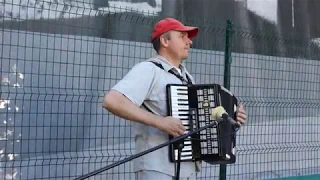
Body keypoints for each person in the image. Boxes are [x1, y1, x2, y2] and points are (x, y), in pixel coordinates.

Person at [103, 17, 247, 180]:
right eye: (182, 36)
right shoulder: (149, 70)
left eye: (189, 37)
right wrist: (160, 122)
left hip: (187, 169)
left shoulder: (187, 78)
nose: (189, 42)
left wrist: (229, 117)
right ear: (164, 41)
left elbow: (199, 122)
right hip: (157, 168)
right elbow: (112, 101)